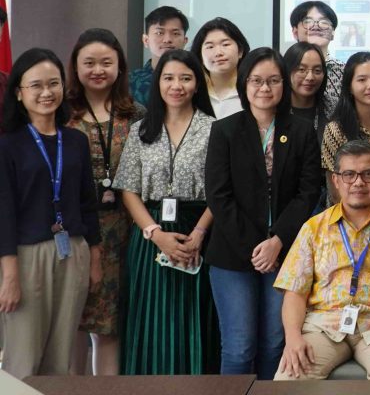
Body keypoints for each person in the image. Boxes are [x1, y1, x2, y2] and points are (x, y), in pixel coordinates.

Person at [205, 47, 323, 380]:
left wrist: (277, 241)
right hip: (232, 254)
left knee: (274, 344)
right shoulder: (225, 130)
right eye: (256, 80)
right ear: (244, 83)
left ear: (284, 84)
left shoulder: (301, 131)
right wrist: (256, 248)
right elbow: (219, 195)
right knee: (239, 347)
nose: (265, 88)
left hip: (285, 253)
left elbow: (308, 192)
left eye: (273, 80)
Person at [274, 140, 370, 381]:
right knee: (288, 381)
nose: (358, 182)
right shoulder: (314, 228)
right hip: (323, 325)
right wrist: (292, 338)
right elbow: (295, 292)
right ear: (336, 180)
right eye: (349, 174)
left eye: (368, 174)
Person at [112, 50, 217, 374]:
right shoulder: (142, 129)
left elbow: (222, 191)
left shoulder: (214, 129)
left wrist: (199, 233)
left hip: (197, 232)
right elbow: (128, 190)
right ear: (158, 83)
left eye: (186, 78)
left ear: (197, 84)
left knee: (192, 320)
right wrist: (155, 234)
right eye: (168, 78)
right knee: (150, 320)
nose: (177, 86)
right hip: (150, 235)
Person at [0, 49, 102, 379]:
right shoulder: (8, 145)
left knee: (60, 359)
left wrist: (95, 257)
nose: (47, 92)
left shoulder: (75, 140)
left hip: (73, 251)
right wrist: (9, 275)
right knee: (23, 357)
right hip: (26, 256)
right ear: (19, 93)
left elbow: (88, 202)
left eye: (54, 83)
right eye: (36, 85)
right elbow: (4, 213)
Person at [66, 29, 145, 376]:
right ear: (75, 67)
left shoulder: (137, 114)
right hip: (72, 230)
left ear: (120, 67)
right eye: (89, 63)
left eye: (106, 63)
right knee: (70, 326)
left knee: (108, 328)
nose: (98, 70)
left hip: (122, 231)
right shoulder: (62, 112)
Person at [321, 52, 370, 207]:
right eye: (362, 80)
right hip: (348, 214)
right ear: (349, 86)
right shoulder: (336, 129)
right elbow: (335, 188)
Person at [289, 0, 343, 119]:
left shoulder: (345, 70)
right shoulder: (282, 67)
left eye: (324, 22)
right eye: (308, 21)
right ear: (295, 32)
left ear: (333, 33)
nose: (316, 26)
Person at [129, 6, 189, 108]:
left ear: (185, 41)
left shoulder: (195, 79)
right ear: (146, 40)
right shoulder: (130, 82)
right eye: (159, 33)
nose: (167, 40)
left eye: (175, 33)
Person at [191, 17, 250, 119]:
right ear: (200, 57)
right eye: (210, 47)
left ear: (240, 51)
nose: (218, 53)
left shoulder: (252, 91)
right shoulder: (193, 92)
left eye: (225, 44)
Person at [282, 42, 326, 136]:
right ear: (287, 70)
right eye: (301, 70)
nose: (310, 77)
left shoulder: (334, 109)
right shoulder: (275, 110)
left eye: (317, 71)